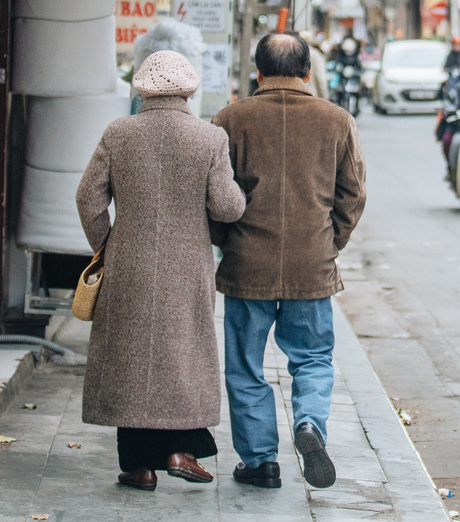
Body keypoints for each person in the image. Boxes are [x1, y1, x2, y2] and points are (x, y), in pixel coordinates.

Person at [76, 50, 245, 493]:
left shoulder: (119, 132)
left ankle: (140, 467)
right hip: (188, 264)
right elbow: (227, 206)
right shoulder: (210, 138)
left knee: (132, 359)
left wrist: (106, 245)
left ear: (142, 89)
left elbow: (88, 199)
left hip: (128, 261)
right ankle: (179, 449)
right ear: (189, 90)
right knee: (181, 353)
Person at [211, 31, 366, 491]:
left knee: (245, 365)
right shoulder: (336, 120)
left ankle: (260, 462)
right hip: (311, 264)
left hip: (246, 264)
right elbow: (353, 194)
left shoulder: (231, 119)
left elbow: (215, 197)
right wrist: (328, 243)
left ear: (257, 72)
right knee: (314, 357)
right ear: (307, 71)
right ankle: (310, 424)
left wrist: (226, 241)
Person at [299, 29, 329, 99]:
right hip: (312, 96)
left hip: (296, 97)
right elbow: (321, 79)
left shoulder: (292, 54)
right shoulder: (315, 55)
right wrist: (325, 99)